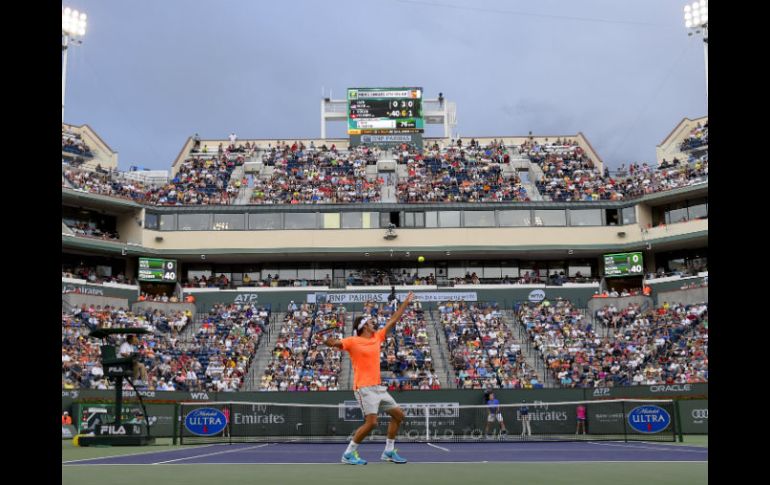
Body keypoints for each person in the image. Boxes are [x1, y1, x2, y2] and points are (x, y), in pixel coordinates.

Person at [323, 291, 415, 465]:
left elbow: (394, 319)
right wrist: (328, 341)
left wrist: (406, 302)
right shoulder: (352, 341)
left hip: (378, 388)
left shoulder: (377, 337)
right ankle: (348, 454)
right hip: (363, 388)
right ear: (364, 326)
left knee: (399, 415)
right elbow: (335, 344)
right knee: (372, 423)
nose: (374, 323)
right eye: (371, 322)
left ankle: (388, 451)